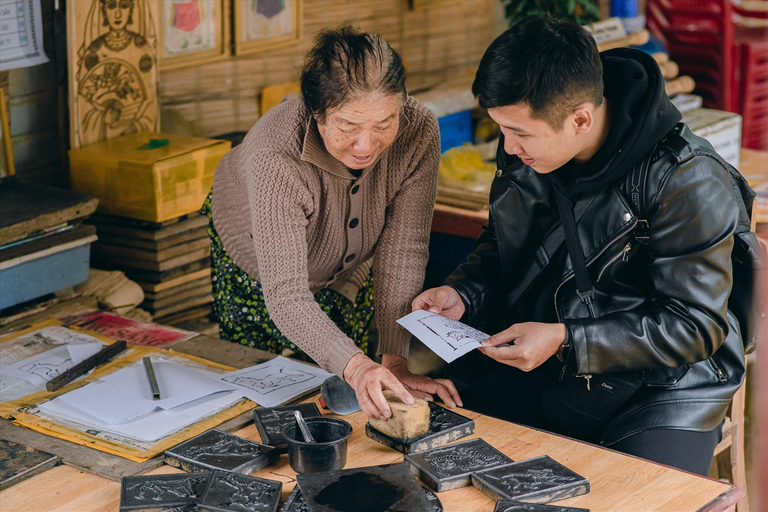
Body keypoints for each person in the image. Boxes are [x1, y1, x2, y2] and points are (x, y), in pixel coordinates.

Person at [413, 15, 747, 475]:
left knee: (634, 502)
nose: (508, 149)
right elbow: (501, 249)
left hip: (665, 387)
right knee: (438, 456)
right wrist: (462, 294)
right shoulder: (530, 153)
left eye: (520, 134)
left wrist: (567, 338)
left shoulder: (687, 179)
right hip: (555, 366)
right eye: (501, 131)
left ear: (580, 118)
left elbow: (692, 326)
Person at [204, 26, 461, 420]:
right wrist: (357, 366)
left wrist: (393, 361)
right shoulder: (277, 154)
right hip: (258, 263)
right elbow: (286, 294)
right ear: (316, 112)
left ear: (403, 104)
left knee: (347, 396)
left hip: (348, 263)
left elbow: (405, 248)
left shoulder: (418, 129)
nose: (366, 146)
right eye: (348, 126)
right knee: (261, 394)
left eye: (384, 124)